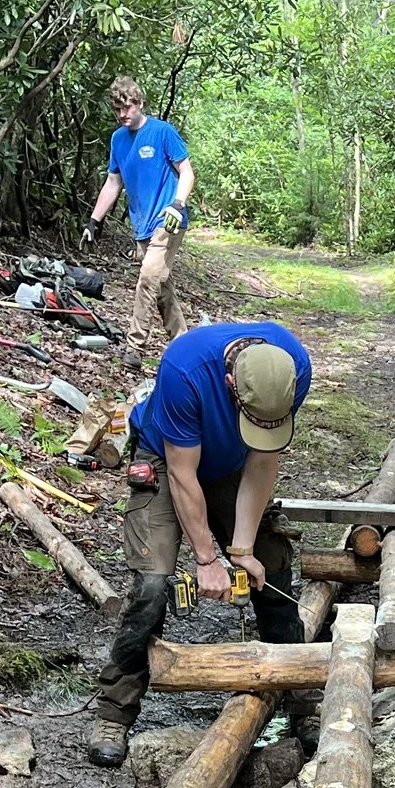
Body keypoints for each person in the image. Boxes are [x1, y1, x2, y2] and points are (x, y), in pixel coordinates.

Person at [87, 322, 311, 765]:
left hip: (236, 462)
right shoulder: (185, 369)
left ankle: (302, 699)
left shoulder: (293, 367)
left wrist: (243, 550)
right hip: (167, 457)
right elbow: (182, 476)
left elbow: (264, 460)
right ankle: (115, 709)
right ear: (231, 384)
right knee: (152, 584)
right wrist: (208, 559)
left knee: (272, 564)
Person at [82, 78, 195, 365]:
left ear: (140, 103)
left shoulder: (162, 132)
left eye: (128, 107)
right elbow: (112, 182)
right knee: (161, 286)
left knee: (147, 278)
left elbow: (187, 172)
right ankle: (185, 346)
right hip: (142, 226)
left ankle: (135, 348)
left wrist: (177, 204)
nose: (123, 114)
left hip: (168, 220)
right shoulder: (118, 139)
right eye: (118, 109)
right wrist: (93, 221)